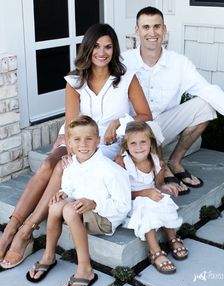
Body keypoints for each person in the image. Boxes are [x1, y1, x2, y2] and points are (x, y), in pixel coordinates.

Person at [0, 23, 152, 269]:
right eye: (96, 47)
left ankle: (26, 231)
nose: (102, 52)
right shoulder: (74, 80)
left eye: (108, 47)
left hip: (105, 144)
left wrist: (120, 122)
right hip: (76, 136)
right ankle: (12, 228)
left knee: (61, 167)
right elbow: (71, 125)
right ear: (87, 49)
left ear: (114, 50)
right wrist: (68, 144)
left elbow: (145, 114)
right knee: (52, 162)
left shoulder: (126, 79)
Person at [122, 6, 224, 194]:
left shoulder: (179, 63)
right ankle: (161, 167)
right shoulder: (124, 62)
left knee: (205, 106)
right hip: (132, 130)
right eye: (146, 27)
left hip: (165, 127)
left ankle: (174, 161)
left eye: (157, 27)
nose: (152, 33)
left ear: (164, 29)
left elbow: (209, 91)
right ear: (137, 30)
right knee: (146, 125)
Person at [25, 116, 131, 286]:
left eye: (89, 139)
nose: (83, 144)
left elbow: (123, 206)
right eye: (77, 139)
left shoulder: (111, 171)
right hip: (81, 209)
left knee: (69, 210)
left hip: (106, 217)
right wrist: (63, 193)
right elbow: (68, 185)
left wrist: (95, 203)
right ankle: (49, 255)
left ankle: (85, 269)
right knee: (56, 205)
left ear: (97, 140)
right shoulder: (71, 163)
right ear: (70, 143)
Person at [115, 121, 187, 274]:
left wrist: (165, 188)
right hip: (131, 202)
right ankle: (154, 251)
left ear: (150, 143)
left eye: (143, 142)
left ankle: (172, 238)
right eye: (133, 143)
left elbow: (158, 185)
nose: (139, 147)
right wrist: (145, 193)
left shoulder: (157, 162)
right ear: (126, 145)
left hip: (150, 197)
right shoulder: (122, 163)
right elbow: (119, 194)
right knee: (145, 206)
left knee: (164, 200)